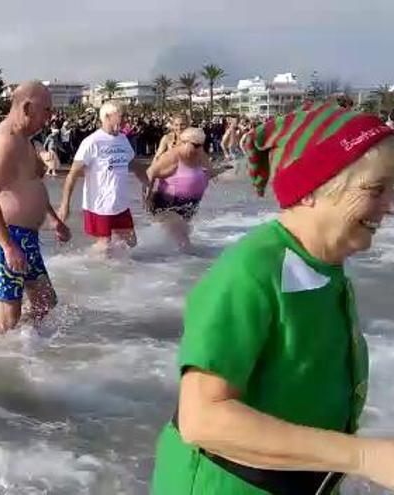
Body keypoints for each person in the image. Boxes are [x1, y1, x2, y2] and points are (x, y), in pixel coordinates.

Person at [152, 102, 394, 494]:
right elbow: (203, 418)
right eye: (375, 189)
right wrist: (364, 457)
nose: (391, 206)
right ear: (314, 189)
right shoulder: (250, 272)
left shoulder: (323, 264)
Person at [0, 81, 71, 333]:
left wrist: (53, 219)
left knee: (44, 302)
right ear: (28, 108)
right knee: (8, 316)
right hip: (5, 235)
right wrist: (7, 245)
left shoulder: (25, 140)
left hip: (25, 237)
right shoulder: (5, 142)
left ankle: (25, 348)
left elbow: (30, 186)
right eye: (47, 110)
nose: (51, 117)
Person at [58, 102, 145, 255]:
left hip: (121, 204)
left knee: (130, 242)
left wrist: (149, 184)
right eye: (122, 116)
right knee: (105, 248)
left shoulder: (123, 140)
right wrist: (65, 205)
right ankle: (81, 264)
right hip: (99, 206)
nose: (126, 120)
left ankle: (121, 273)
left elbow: (134, 165)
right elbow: (72, 174)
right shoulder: (92, 142)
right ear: (107, 117)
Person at [144, 127, 223, 249]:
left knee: (176, 238)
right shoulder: (173, 156)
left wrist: (222, 170)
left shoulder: (200, 155)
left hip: (189, 206)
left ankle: (162, 258)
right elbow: (150, 173)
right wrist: (147, 198)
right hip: (168, 205)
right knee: (183, 242)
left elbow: (209, 173)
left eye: (201, 145)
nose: (199, 149)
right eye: (196, 145)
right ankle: (196, 264)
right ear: (184, 142)